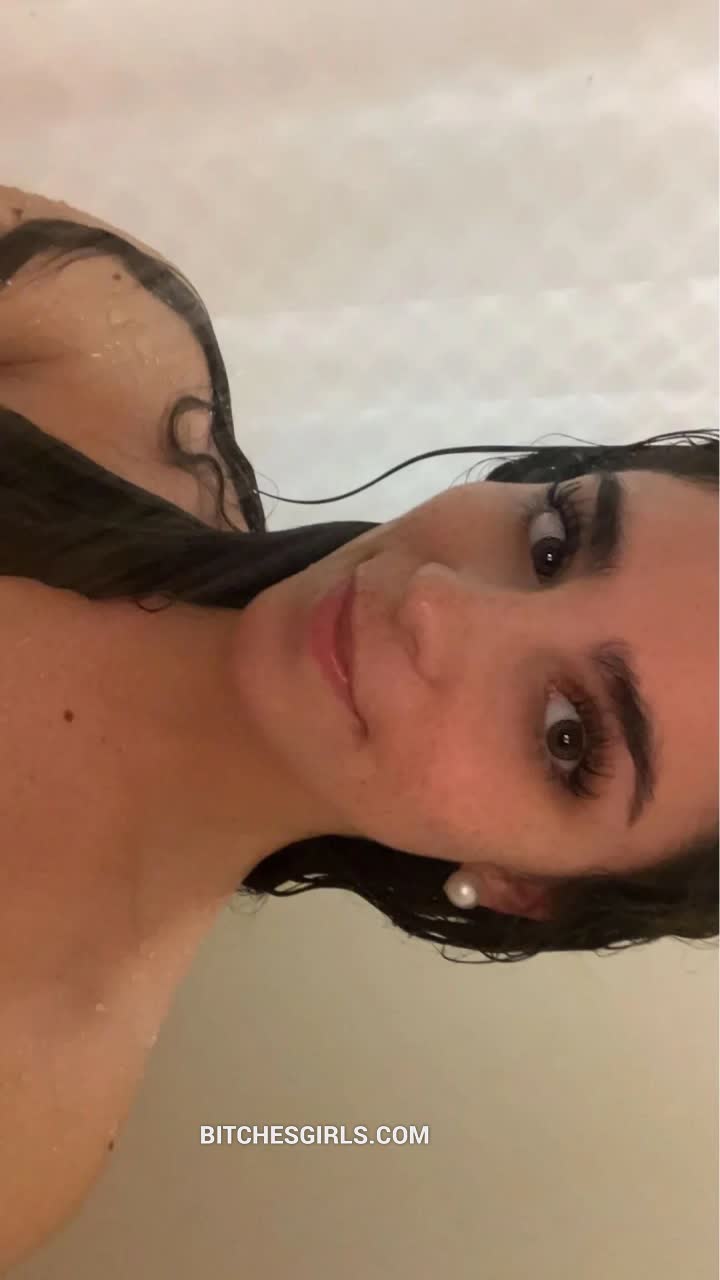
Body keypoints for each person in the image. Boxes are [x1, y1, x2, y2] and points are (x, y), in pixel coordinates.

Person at [0, 187, 716, 1270]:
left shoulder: (26, 1110)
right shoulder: (90, 338)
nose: (436, 605)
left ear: (524, 886)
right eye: (554, 543)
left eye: (569, 734)